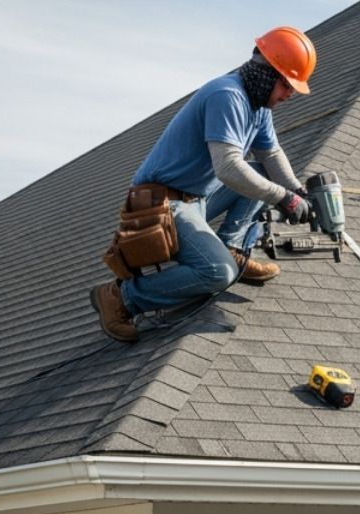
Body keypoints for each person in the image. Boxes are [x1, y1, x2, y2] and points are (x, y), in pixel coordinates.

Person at [90, 26, 318, 342]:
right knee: (218, 273)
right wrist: (284, 198)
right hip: (161, 202)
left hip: (195, 197)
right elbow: (228, 168)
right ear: (267, 74)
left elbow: (270, 153)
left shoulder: (258, 105)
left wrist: (296, 190)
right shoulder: (228, 96)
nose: (290, 94)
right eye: (287, 84)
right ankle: (122, 298)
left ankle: (232, 248)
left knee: (262, 175)